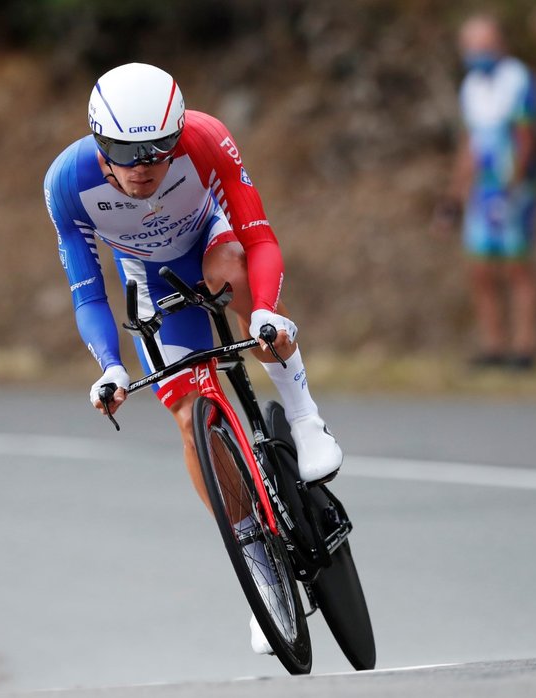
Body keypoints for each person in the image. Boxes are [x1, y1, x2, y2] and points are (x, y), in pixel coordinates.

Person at [43, 62, 343, 654]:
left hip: (211, 241)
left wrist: (264, 312)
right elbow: (87, 289)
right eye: (127, 154)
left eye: (159, 151)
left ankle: (305, 418)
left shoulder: (205, 138)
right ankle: (260, 565)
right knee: (190, 418)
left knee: (237, 275)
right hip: (147, 281)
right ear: (99, 146)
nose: (144, 167)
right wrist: (109, 365)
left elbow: (259, 237)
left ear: (178, 137)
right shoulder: (66, 182)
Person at [435, 14, 536, 370]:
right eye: (471, 47)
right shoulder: (471, 86)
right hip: (482, 191)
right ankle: (493, 346)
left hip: (512, 186)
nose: (477, 53)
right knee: (480, 268)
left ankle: (525, 348)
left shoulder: (518, 79)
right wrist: (455, 196)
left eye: (483, 45)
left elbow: (527, 136)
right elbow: (470, 145)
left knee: (516, 267)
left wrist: (515, 184)